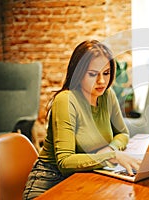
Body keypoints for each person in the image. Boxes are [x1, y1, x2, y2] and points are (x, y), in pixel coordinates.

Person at [23, 40, 141, 199]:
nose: (101, 81)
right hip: (49, 183)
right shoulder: (66, 101)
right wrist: (110, 156)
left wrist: (111, 148)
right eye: (93, 74)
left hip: (85, 178)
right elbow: (65, 162)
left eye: (106, 73)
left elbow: (122, 133)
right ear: (78, 73)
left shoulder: (107, 95)